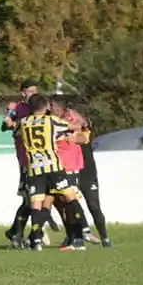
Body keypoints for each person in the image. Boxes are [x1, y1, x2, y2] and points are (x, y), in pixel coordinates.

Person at [17, 94, 89, 251]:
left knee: (37, 204)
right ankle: (83, 230)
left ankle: (36, 240)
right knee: (70, 197)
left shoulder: (23, 122)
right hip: (53, 167)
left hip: (35, 168)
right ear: (46, 107)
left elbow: (17, 132)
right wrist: (80, 125)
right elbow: (72, 127)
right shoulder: (51, 121)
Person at [2, 79, 60, 247]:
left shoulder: (42, 106)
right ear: (23, 93)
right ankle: (22, 233)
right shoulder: (18, 109)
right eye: (30, 91)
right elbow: (5, 126)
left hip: (46, 159)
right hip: (27, 159)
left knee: (43, 196)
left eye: (35, 90)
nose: (33, 93)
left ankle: (22, 231)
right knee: (30, 198)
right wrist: (10, 120)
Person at [50, 95, 96, 248]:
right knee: (60, 202)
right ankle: (72, 235)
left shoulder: (71, 120)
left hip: (69, 167)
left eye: (52, 106)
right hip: (57, 167)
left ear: (60, 108)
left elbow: (84, 136)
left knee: (70, 201)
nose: (50, 109)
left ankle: (80, 235)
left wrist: (73, 136)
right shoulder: (55, 120)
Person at [73, 107, 113, 248]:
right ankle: (79, 234)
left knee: (94, 206)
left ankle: (105, 237)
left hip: (87, 173)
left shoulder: (85, 131)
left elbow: (83, 138)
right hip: (70, 172)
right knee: (71, 205)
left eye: (76, 117)